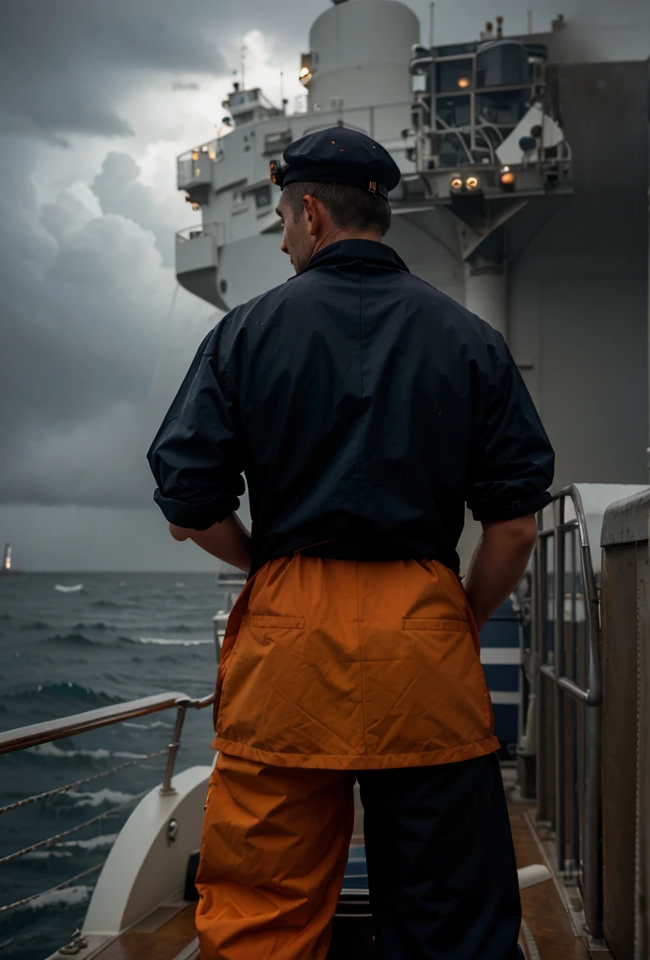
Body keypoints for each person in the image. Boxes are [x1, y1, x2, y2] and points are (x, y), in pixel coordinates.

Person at [147, 125, 553, 960]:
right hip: (425, 643)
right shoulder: (471, 340)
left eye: (285, 225)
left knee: (263, 917)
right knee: (451, 923)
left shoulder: (244, 334)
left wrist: (268, 564)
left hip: (287, 646)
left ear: (309, 213)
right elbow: (514, 523)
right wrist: (461, 614)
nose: (287, 240)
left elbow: (188, 502)